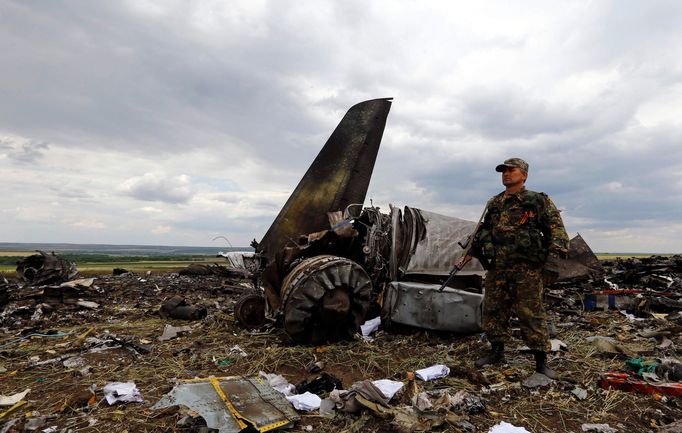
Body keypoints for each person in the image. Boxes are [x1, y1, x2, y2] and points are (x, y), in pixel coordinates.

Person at [464, 157, 569, 378]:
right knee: (493, 310)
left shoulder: (536, 200)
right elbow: (484, 230)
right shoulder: (494, 203)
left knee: (531, 313)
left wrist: (551, 262)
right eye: (503, 171)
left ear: (524, 175)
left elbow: (557, 231)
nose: (506, 174)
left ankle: (541, 362)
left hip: (527, 269)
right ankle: (497, 351)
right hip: (498, 267)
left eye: (512, 170)